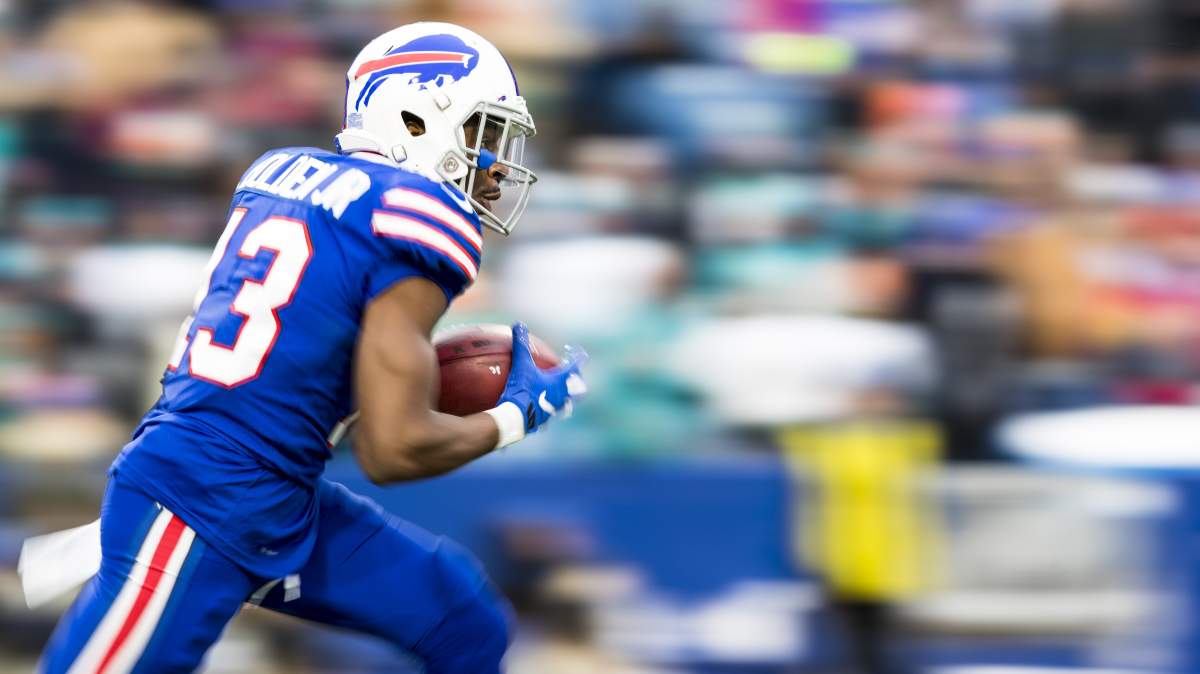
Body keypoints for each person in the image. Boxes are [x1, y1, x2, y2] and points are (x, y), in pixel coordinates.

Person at [36, 21, 585, 674]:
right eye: (480, 134)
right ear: (415, 118)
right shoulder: (412, 218)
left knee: (459, 617)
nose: (493, 166)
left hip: (271, 494)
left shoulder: (283, 173)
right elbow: (393, 449)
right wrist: (516, 415)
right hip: (201, 498)